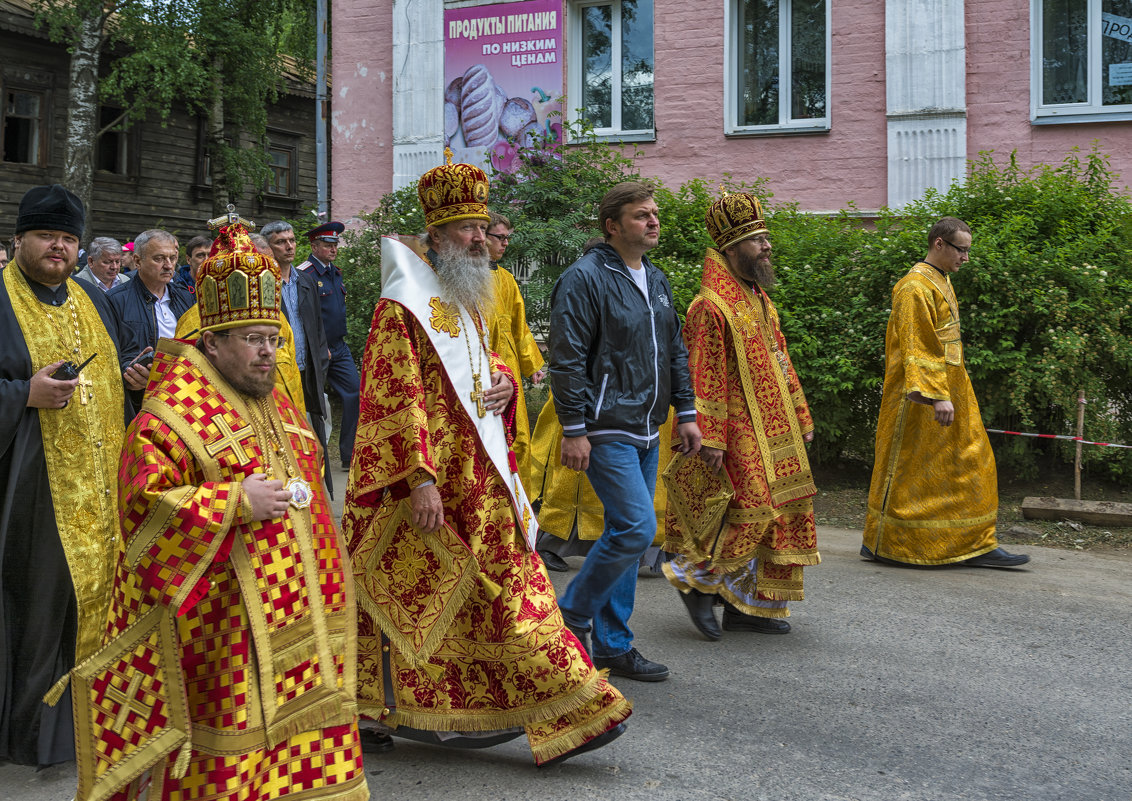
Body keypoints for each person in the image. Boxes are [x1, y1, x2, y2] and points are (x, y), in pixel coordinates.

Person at [342, 152, 630, 766]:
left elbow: (482, 363)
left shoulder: (471, 297)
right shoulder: (402, 306)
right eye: (469, 229)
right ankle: (385, 709)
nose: (481, 238)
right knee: (439, 602)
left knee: (510, 590)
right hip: (430, 488)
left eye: (483, 226)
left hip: (482, 478)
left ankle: (572, 706)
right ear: (438, 235)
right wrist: (419, 478)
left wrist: (502, 380)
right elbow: (394, 397)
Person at [70, 218, 368, 801]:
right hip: (222, 629)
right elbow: (141, 514)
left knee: (300, 746)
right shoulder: (166, 416)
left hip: (299, 615)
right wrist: (233, 500)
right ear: (211, 341)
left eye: (274, 338)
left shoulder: (275, 397)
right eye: (252, 339)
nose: (267, 353)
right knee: (233, 754)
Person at [548, 181, 701, 682]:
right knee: (637, 527)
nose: (653, 221)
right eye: (641, 215)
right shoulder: (584, 278)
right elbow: (567, 359)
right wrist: (573, 427)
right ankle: (572, 615)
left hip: (648, 424)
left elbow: (673, 350)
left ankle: (614, 644)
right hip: (604, 424)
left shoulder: (655, 279)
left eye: (655, 213)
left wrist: (687, 412)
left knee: (626, 534)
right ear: (613, 226)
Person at [0, 184, 128, 766]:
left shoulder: (91, 299)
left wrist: (130, 379)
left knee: (95, 603)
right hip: (26, 490)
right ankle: (30, 735)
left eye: (69, 239)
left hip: (100, 488)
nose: (59, 247)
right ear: (19, 239)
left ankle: (90, 722)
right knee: (38, 608)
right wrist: (22, 394)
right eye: (47, 236)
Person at [664, 192, 820, 641]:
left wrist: (801, 416)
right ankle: (697, 585)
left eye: (766, 236)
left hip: (777, 428)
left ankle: (746, 605)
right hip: (735, 431)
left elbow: (781, 360)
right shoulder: (709, 306)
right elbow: (702, 373)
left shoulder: (758, 299)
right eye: (756, 239)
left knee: (785, 509)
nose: (767, 245)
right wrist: (708, 436)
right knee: (749, 510)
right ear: (730, 250)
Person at [861, 217, 1030, 569]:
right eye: (961, 250)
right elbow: (916, 345)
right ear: (939, 244)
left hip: (953, 387)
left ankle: (975, 541)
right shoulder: (913, 287)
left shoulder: (941, 280)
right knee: (912, 467)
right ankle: (888, 541)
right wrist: (937, 395)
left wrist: (951, 390)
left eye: (968, 250)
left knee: (970, 461)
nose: (966, 258)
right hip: (919, 396)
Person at [264, 219, 333, 494]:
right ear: (268, 248)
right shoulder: (264, 281)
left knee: (314, 428)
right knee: (285, 431)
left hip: (309, 368)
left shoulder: (305, 280)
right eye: (281, 242)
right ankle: (289, 488)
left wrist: (321, 362)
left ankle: (318, 488)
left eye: (291, 240)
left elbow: (317, 325)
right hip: (280, 371)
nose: (289, 246)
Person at [483, 210, 545, 493]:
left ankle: (522, 497)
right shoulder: (469, 277)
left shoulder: (507, 278)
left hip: (510, 368)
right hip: (483, 366)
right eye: (500, 237)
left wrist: (531, 365)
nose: (505, 244)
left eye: (507, 238)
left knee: (518, 433)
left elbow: (520, 326)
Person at [107, 229, 194, 410]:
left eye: (173, 258)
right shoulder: (115, 300)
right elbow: (107, 356)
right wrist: (128, 374)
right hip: (139, 399)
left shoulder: (186, 298)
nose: (169, 265)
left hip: (184, 393)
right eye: (159, 259)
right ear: (138, 261)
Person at [298, 220, 359, 469]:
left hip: (339, 347)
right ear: (314, 245)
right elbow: (300, 314)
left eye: (335, 245)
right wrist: (320, 347)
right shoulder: (304, 273)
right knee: (313, 402)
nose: (333, 249)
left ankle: (348, 455)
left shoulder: (334, 271)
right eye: (327, 244)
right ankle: (312, 456)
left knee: (355, 392)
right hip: (317, 349)